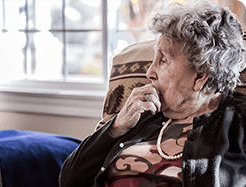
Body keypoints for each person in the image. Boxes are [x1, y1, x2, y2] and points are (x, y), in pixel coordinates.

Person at [59, 0, 246, 186]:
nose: (149, 72)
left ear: (200, 76)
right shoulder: (143, 113)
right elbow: (69, 180)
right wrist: (117, 125)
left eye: (163, 60)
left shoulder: (238, 122)